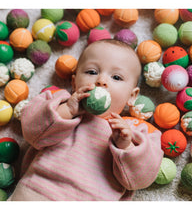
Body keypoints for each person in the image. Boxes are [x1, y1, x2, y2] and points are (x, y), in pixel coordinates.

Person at [8, 39, 163, 201]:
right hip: (38, 192)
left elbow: (141, 179)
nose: (101, 81)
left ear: (132, 96)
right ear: (74, 83)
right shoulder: (59, 103)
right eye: (91, 72)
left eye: (116, 77)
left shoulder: (135, 132)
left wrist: (126, 145)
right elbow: (31, 132)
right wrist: (66, 110)